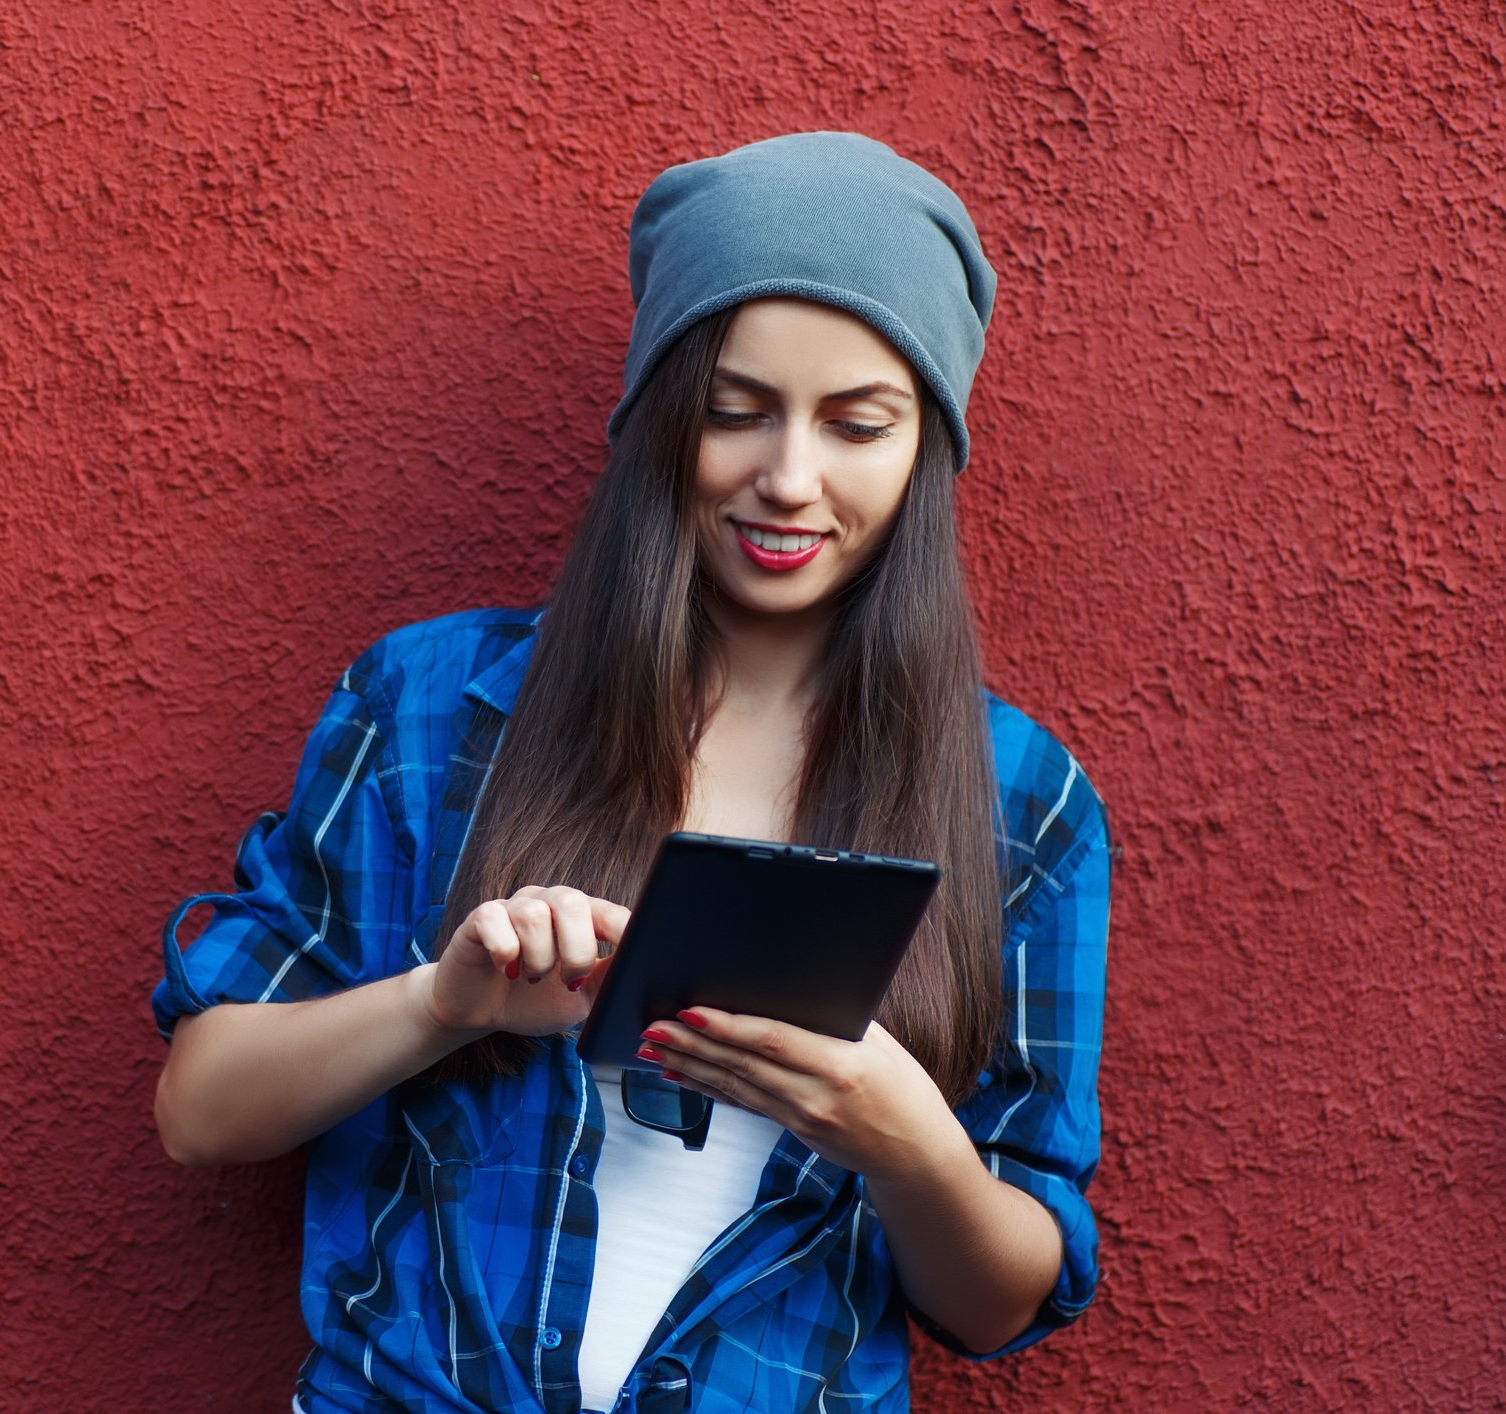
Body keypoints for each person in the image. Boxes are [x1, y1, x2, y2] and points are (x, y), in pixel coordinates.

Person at [148, 131, 1109, 1414]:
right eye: (734, 409)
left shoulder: (1023, 803)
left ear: (925, 445)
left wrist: (904, 1136)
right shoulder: (432, 704)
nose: (789, 477)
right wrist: (442, 1005)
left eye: (857, 424)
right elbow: (200, 1110)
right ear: (661, 416)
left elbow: (998, 1302)